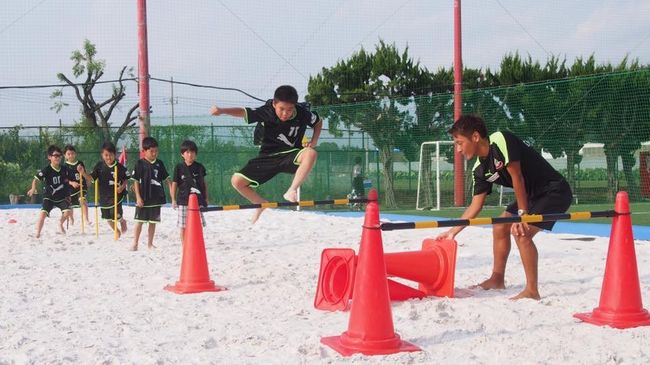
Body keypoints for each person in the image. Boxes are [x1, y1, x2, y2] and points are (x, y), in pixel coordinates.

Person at [436, 114, 572, 300]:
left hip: (554, 190)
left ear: (475, 137)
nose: (458, 150)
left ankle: (532, 291)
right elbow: (476, 206)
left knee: (521, 232)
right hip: (531, 195)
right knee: (500, 225)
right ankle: (497, 279)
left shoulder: (501, 140)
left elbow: (517, 178)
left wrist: (522, 215)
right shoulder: (479, 169)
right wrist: (452, 232)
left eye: (460, 143)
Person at [209, 85, 322, 223]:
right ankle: (261, 204)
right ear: (274, 104)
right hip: (268, 157)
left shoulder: (303, 113)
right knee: (237, 181)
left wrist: (314, 140)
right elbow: (244, 112)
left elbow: (318, 121)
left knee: (311, 153)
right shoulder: (267, 111)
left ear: (295, 106)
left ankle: (292, 190)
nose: (285, 113)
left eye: (289, 109)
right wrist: (222, 110)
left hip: (290, 155)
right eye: (281, 109)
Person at [130, 137, 171, 251]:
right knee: (139, 222)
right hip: (143, 199)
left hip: (156, 198)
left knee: (153, 222)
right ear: (144, 151)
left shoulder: (159, 163)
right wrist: (138, 197)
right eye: (151, 151)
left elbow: (167, 179)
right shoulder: (139, 163)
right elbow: (136, 181)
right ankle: (135, 243)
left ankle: (150, 244)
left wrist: (172, 194)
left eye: (156, 151)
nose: (154, 153)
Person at [81, 141, 129, 238]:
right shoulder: (99, 166)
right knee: (107, 217)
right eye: (106, 155)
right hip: (104, 196)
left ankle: (122, 221)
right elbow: (91, 178)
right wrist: (83, 173)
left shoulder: (119, 167)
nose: (108, 157)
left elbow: (126, 179)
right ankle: (116, 230)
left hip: (117, 195)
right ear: (102, 155)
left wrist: (122, 187)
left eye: (110, 155)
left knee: (116, 215)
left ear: (114, 155)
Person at [27, 145, 73, 238]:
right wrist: (33, 188)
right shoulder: (47, 170)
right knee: (43, 214)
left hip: (61, 197)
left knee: (68, 212)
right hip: (49, 197)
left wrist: (73, 184)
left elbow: (69, 179)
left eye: (59, 156)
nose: (58, 158)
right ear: (49, 157)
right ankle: (38, 233)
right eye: (55, 155)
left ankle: (60, 224)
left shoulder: (64, 169)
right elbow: (35, 179)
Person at [170, 140, 208, 245]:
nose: (190, 154)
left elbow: (204, 184)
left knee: (198, 225)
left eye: (192, 152)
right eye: (187, 152)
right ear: (182, 154)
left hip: (198, 201)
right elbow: (174, 184)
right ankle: (184, 245)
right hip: (183, 200)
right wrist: (173, 199)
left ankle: (197, 243)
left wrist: (205, 198)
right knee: (183, 225)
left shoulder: (200, 167)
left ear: (196, 153)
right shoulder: (179, 167)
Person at [63, 145, 91, 227]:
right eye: (68, 154)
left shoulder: (80, 163)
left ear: (75, 154)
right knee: (70, 205)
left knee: (83, 200)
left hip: (81, 186)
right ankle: (71, 219)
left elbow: (84, 174)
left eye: (72, 153)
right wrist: (72, 183)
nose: (71, 155)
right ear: (65, 155)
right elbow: (64, 179)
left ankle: (86, 219)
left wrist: (87, 179)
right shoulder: (64, 166)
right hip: (70, 188)